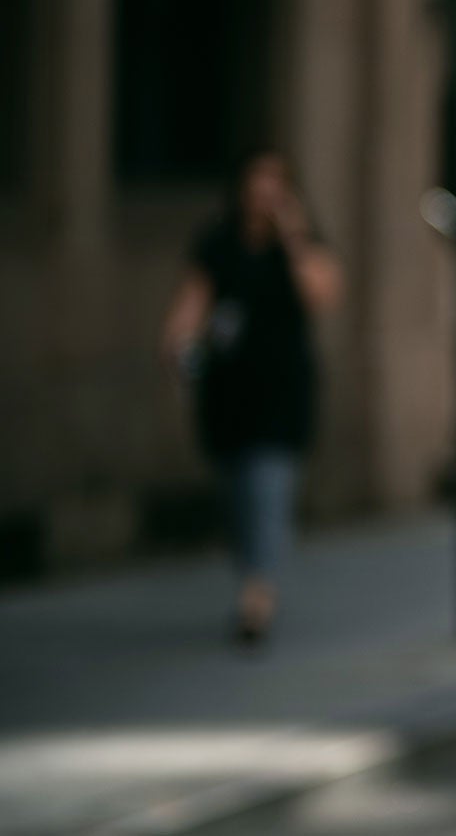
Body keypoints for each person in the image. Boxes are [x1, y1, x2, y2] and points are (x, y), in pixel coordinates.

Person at [160, 150, 342, 646]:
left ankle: (256, 600)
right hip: (228, 394)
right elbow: (192, 304)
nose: (264, 197)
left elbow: (322, 295)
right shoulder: (219, 244)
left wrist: (295, 238)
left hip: (282, 394)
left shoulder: (300, 245)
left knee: (268, 491)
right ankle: (252, 576)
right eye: (256, 185)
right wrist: (177, 343)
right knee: (237, 499)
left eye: (274, 187)